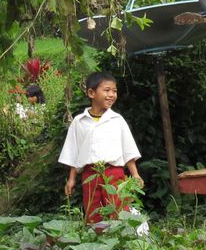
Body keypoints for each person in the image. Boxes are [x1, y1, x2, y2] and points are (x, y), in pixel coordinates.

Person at [58, 71, 143, 225]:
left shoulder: (117, 120)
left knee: (118, 209)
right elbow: (73, 151)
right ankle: (97, 242)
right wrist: (71, 179)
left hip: (114, 173)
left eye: (114, 91)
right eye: (106, 90)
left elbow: (128, 149)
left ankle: (121, 244)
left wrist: (135, 174)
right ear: (91, 93)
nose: (111, 94)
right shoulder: (79, 121)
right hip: (90, 175)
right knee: (93, 212)